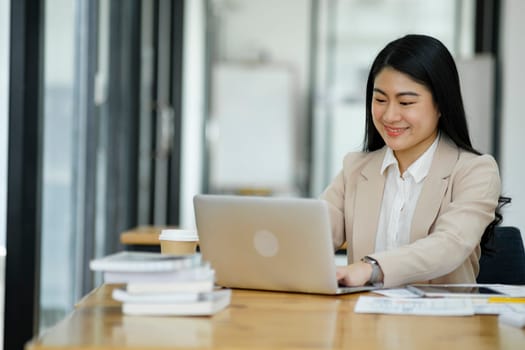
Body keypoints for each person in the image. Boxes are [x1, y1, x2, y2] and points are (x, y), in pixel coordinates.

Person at [321, 34, 506, 289]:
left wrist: (371, 269)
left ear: (441, 105)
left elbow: (448, 245)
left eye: (406, 102)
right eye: (380, 99)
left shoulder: (475, 171)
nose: (389, 115)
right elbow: (314, 233)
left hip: (444, 325)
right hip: (363, 323)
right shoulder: (355, 168)